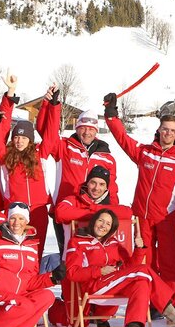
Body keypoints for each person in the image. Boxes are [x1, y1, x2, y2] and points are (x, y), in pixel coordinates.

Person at [104, 92, 175, 313]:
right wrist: (111, 116)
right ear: (159, 130)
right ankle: (152, 301)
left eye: (172, 131)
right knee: (144, 260)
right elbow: (124, 140)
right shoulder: (146, 153)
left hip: (166, 217)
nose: (168, 133)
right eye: (165, 129)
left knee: (169, 261)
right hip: (141, 217)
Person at [65, 209, 175, 327]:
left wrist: (139, 249)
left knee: (141, 283)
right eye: (101, 220)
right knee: (144, 270)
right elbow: (72, 273)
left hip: (114, 282)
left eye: (108, 223)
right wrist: (99, 271)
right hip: (94, 285)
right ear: (93, 221)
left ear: (112, 228)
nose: (103, 226)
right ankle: (171, 313)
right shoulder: (77, 242)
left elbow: (130, 267)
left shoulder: (113, 243)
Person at [39, 95, 118, 253]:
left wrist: (113, 213)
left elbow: (112, 188)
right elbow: (45, 132)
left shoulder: (107, 157)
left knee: (94, 256)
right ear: (77, 128)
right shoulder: (64, 147)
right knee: (67, 255)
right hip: (66, 211)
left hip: (97, 214)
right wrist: (53, 106)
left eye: (91, 129)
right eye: (83, 128)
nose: (87, 132)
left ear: (96, 131)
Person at [0, 75, 53, 257]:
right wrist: (9, 95)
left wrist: (53, 106)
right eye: (16, 137)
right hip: (15, 211)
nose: (19, 141)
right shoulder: (7, 156)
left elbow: (51, 132)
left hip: (38, 210)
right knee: (13, 251)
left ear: (30, 140)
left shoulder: (40, 154)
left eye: (24, 137)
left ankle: (33, 284)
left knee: (36, 252)